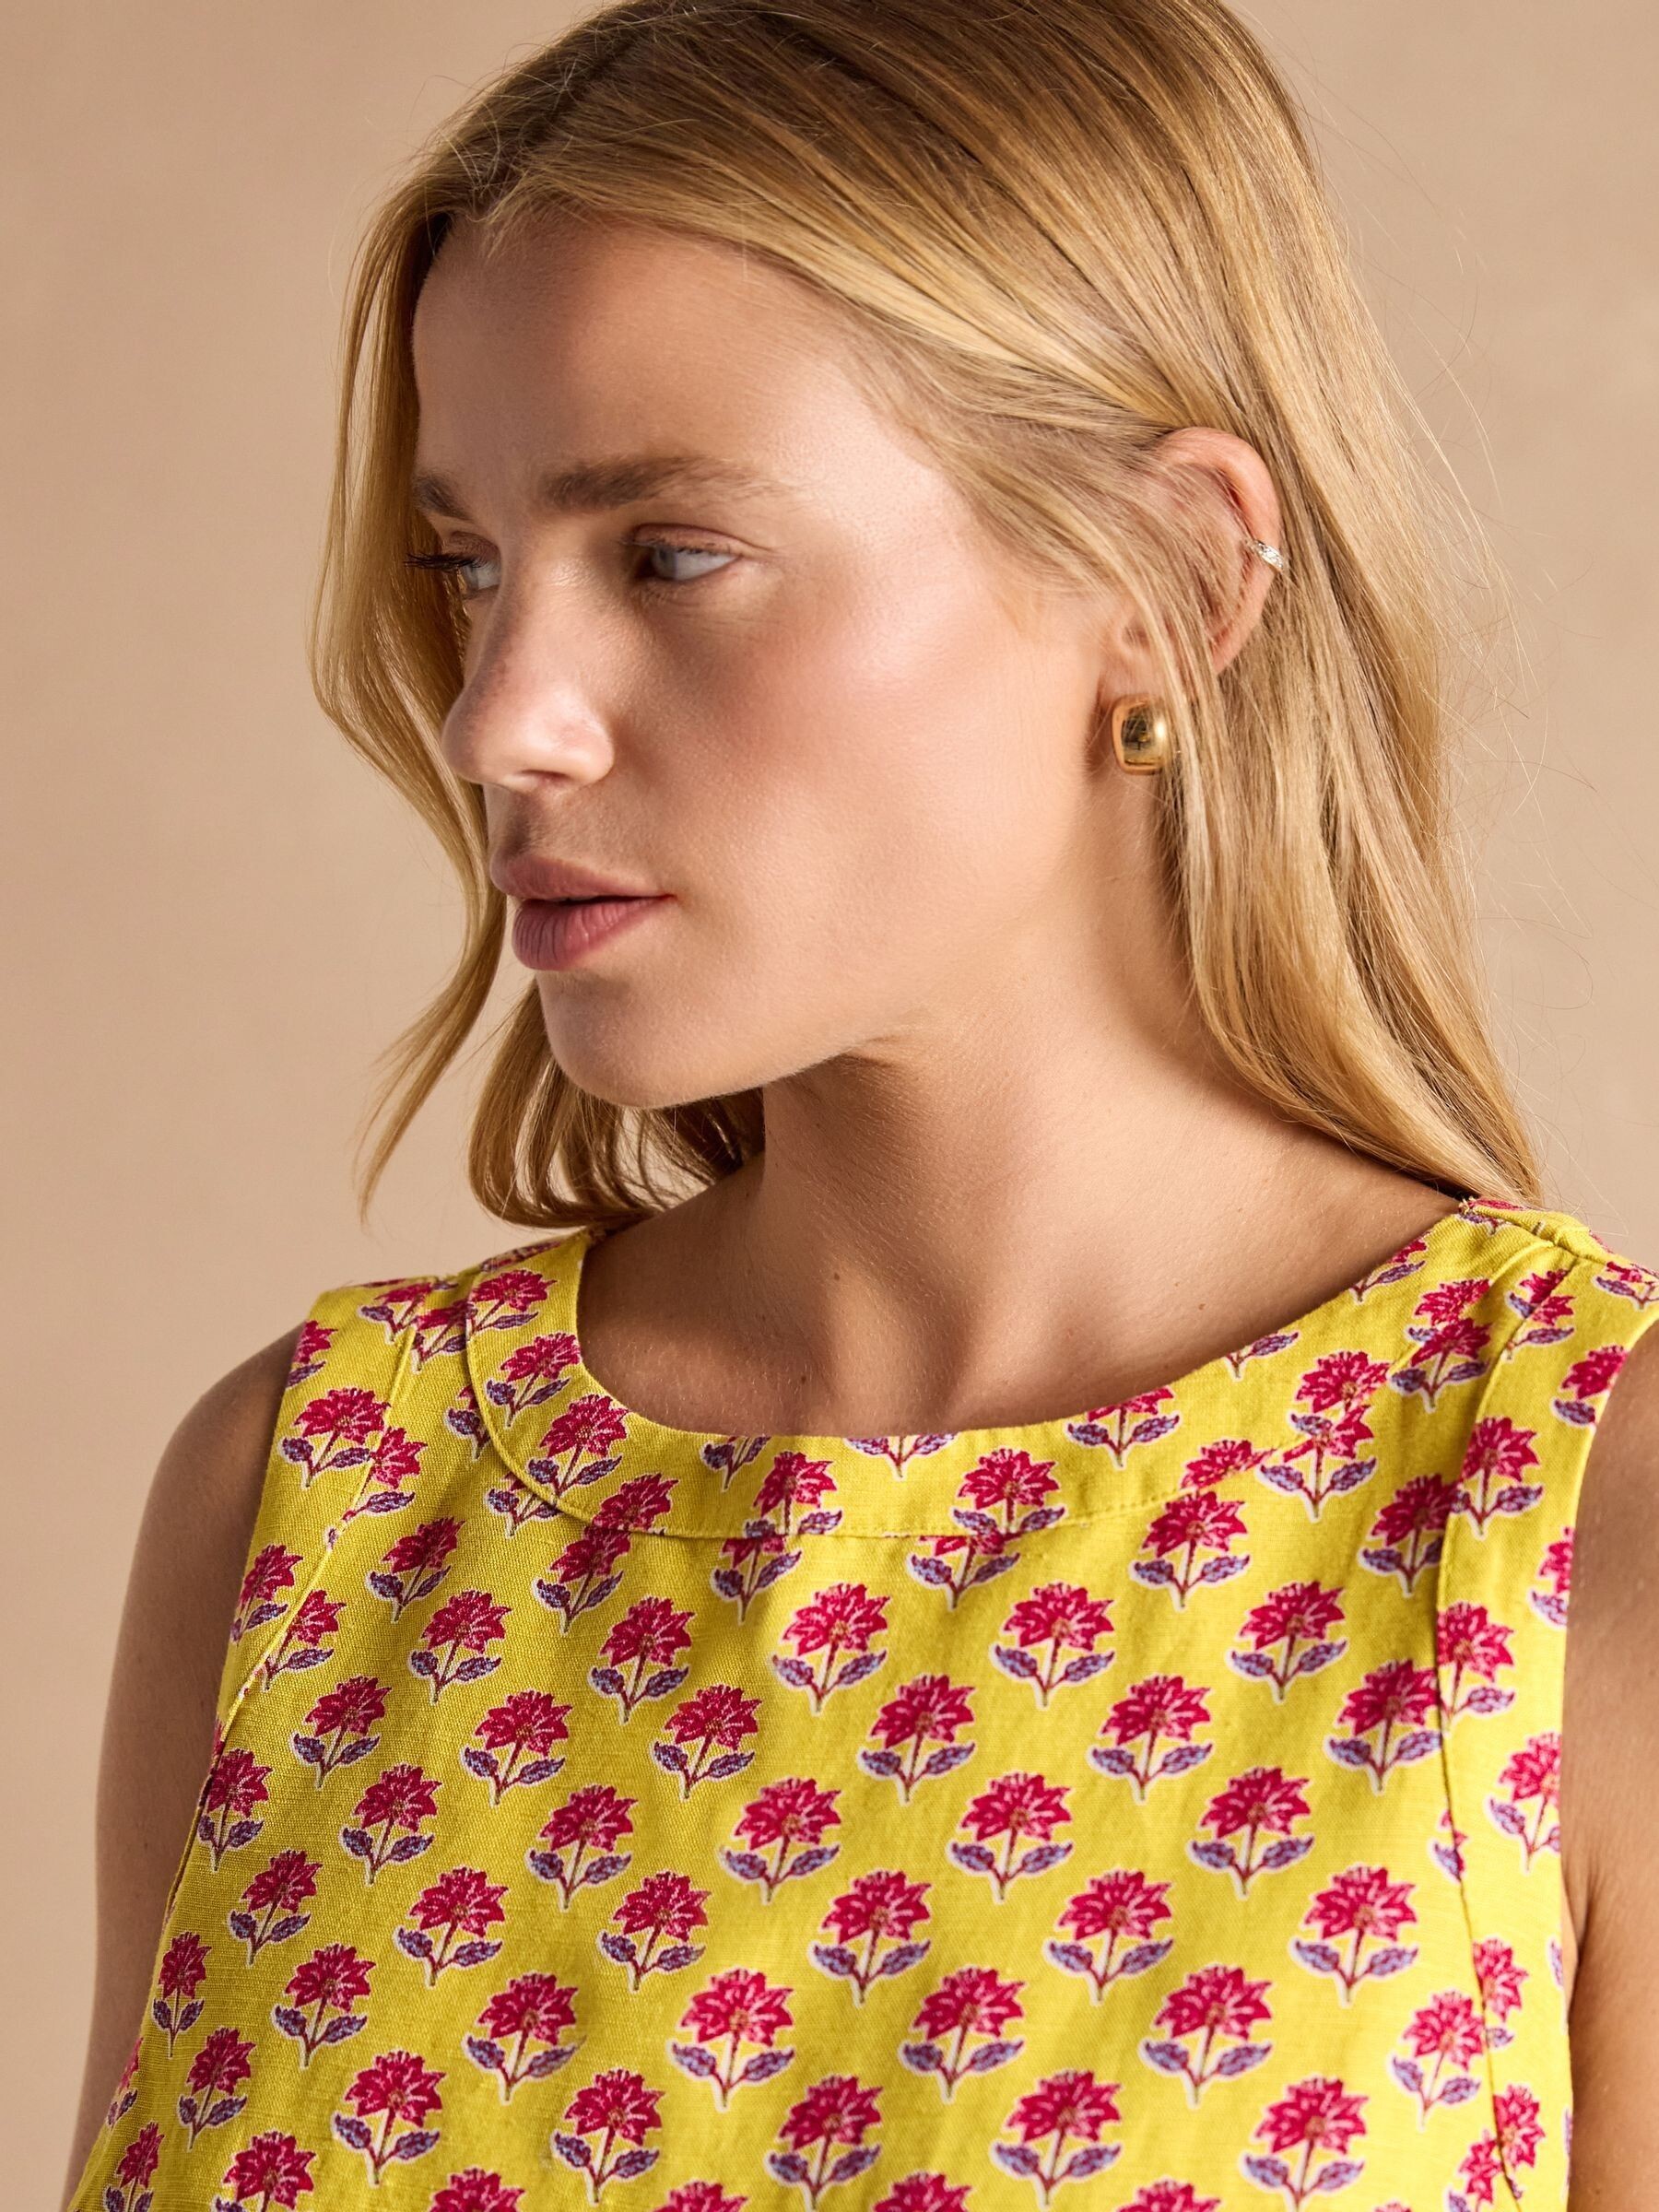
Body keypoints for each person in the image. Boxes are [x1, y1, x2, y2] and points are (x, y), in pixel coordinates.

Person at [61, 2, 1659, 2206]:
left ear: (1172, 580)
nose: (503, 717)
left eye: (668, 555)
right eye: (468, 567)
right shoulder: (307, 1509)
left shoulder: (1569, 1521)